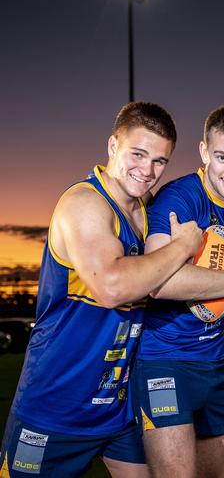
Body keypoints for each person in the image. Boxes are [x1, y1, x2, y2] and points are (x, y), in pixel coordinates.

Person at [0, 102, 203, 477]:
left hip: (116, 408)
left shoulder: (146, 214)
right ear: (113, 146)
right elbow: (112, 286)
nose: (148, 170)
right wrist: (181, 247)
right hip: (54, 405)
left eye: (160, 161)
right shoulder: (83, 204)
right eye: (138, 154)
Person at [131, 105, 224, 478]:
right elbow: (157, 282)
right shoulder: (180, 199)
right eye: (222, 157)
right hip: (166, 359)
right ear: (204, 153)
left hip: (219, 359)